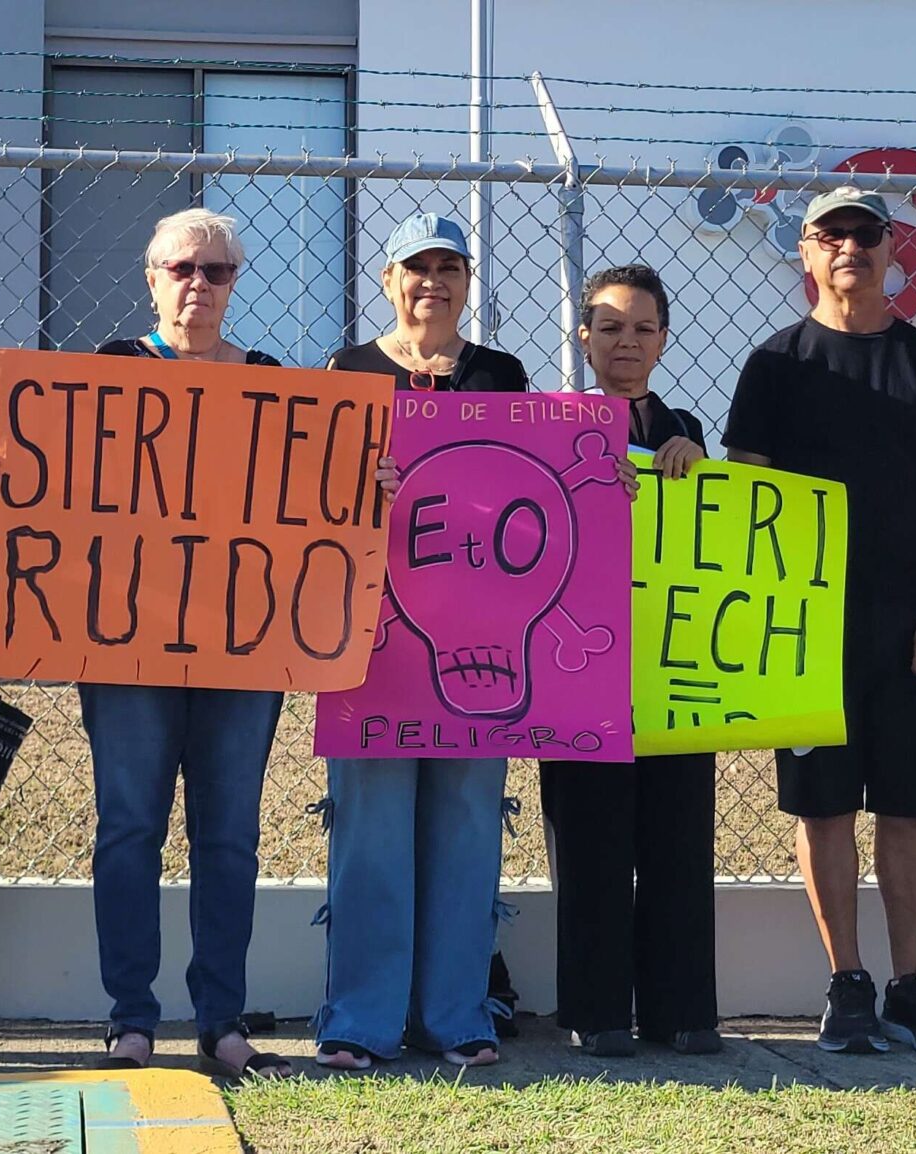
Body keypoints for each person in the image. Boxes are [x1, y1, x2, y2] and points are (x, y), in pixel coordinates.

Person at [722, 187, 916, 1056]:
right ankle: (849, 985)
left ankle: (912, 983)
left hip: (913, 629)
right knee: (824, 809)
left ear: (889, 248)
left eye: (866, 234)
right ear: (804, 250)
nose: (849, 248)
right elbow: (745, 506)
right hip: (803, 634)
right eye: (830, 234)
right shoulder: (775, 364)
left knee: (908, 809)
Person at [77, 208, 293, 1080]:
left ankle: (221, 1021)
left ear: (235, 284)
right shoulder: (108, 371)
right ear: (151, 278)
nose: (198, 284)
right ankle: (131, 1018)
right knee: (129, 827)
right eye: (182, 269)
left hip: (243, 641)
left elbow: (303, 498)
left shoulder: (273, 382)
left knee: (229, 835)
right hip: (130, 638)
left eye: (217, 270)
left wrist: (370, 482)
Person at [310, 214, 524, 1073]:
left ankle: (455, 1013)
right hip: (370, 628)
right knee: (370, 824)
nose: (433, 281)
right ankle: (360, 1020)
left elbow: (526, 486)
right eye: (417, 266)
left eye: (450, 267)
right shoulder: (347, 371)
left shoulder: (501, 374)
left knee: (467, 819)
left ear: (469, 282)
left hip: (477, 631)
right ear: (388, 280)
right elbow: (312, 496)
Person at [538, 263, 722, 1059]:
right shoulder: (551, 422)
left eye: (643, 328)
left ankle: (682, 1010)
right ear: (584, 338)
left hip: (670, 660)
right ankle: (597, 1008)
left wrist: (696, 470)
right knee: (591, 837)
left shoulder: (685, 428)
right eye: (610, 327)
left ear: (663, 340)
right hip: (577, 662)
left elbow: (714, 534)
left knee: (679, 833)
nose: (627, 342)